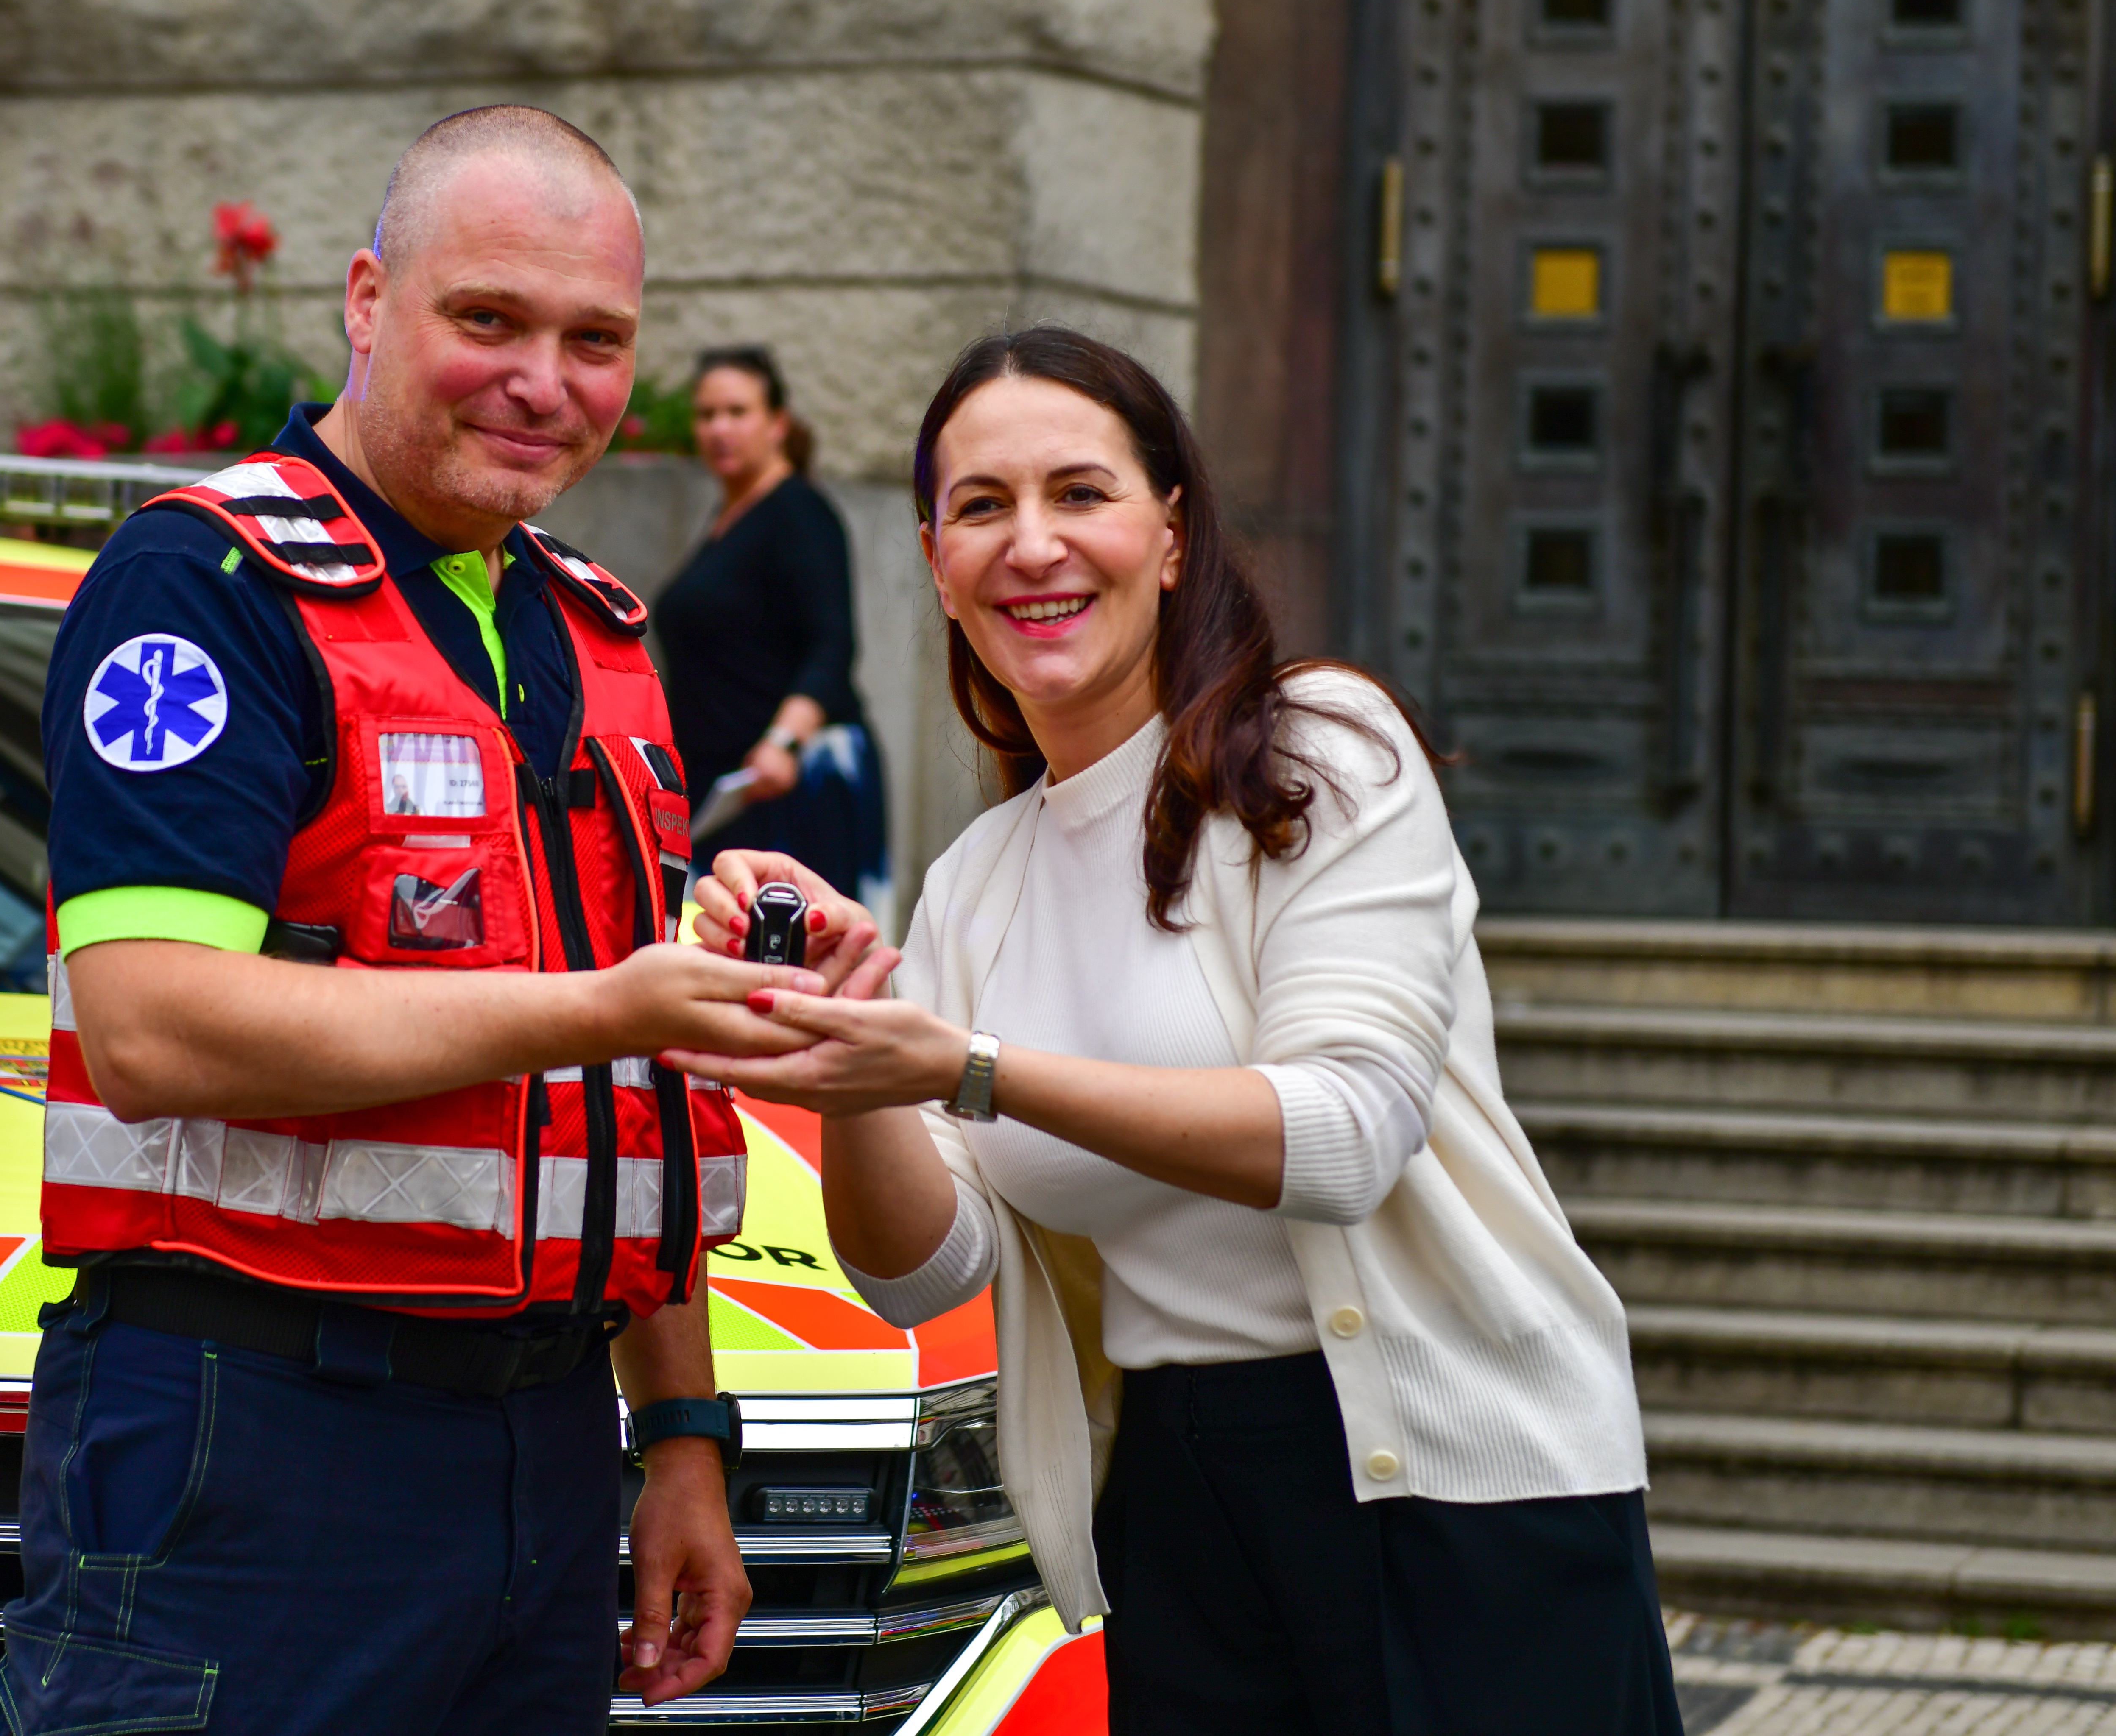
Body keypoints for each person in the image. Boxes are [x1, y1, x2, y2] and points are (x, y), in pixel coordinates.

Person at [669, 327, 1678, 1735]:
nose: (1034, 544)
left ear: (1171, 533)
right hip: (1176, 1496)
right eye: (982, 507)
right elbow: (923, 1272)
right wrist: (853, 1058)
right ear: (934, 558)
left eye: (1081, 493)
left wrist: (963, 1066)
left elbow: (1341, 1138)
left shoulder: (1318, 751)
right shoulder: (974, 883)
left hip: (1456, 1489)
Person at [0, 108, 837, 1736]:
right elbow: (157, 1025)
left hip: (543, 1444)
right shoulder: (206, 584)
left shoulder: (601, 630)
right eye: (490, 320)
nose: (547, 382)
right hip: (252, 1433)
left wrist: (681, 1442)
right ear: (369, 303)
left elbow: (627, 1111)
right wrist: (605, 1007)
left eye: (598, 341)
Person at [650, 346, 887, 906]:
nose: (719, 429)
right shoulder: (730, 516)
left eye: (737, 412)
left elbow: (833, 646)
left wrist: (783, 743)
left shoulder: (799, 513)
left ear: (778, 424)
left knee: (798, 968)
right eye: (707, 415)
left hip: (792, 781)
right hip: (730, 791)